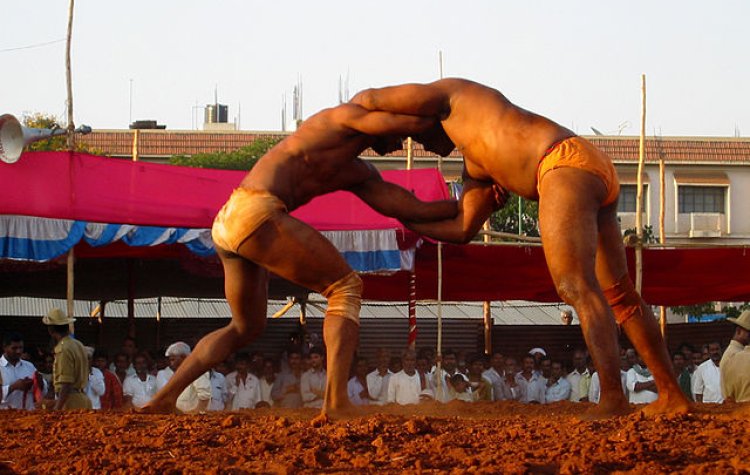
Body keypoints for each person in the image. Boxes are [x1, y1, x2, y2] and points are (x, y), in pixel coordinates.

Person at [352, 77, 690, 416]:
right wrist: (402, 218)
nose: (419, 148)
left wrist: (347, 133)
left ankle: (614, 398)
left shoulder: (455, 95)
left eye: (410, 138)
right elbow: (462, 228)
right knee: (620, 294)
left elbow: (368, 97)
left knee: (576, 285)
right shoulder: (477, 164)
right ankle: (672, 394)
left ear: (418, 120)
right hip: (589, 167)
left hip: (561, 164)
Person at [141, 102, 456, 418]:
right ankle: (336, 402)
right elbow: (401, 116)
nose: (401, 145)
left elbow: (412, 210)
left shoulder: (358, 171)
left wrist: (464, 204)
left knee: (245, 326)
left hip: (229, 219)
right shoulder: (339, 122)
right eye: (402, 136)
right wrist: (438, 126)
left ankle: (164, 399)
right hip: (256, 210)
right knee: (345, 287)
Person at [42, 308, 91, 410]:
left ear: (50, 330)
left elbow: (66, 383)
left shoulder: (63, 349)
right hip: (82, 399)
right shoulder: (78, 344)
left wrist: (57, 408)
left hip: (70, 402)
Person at [161, 342, 211, 413]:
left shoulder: (197, 370)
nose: (171, 364)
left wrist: (197, 414)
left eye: (173, 359)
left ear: (183, 357)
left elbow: (205, 396)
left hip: (193, 419)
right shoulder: (179, 373)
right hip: (181, 417)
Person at [1, 331, 45, 410]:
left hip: (28, 416)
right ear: (4, 347)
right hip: (5, 417)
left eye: (21, 347)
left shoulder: (29, 366)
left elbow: (42, 391)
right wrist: (13, 387)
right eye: (14, 348)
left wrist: (40, 383)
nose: (18, 351)